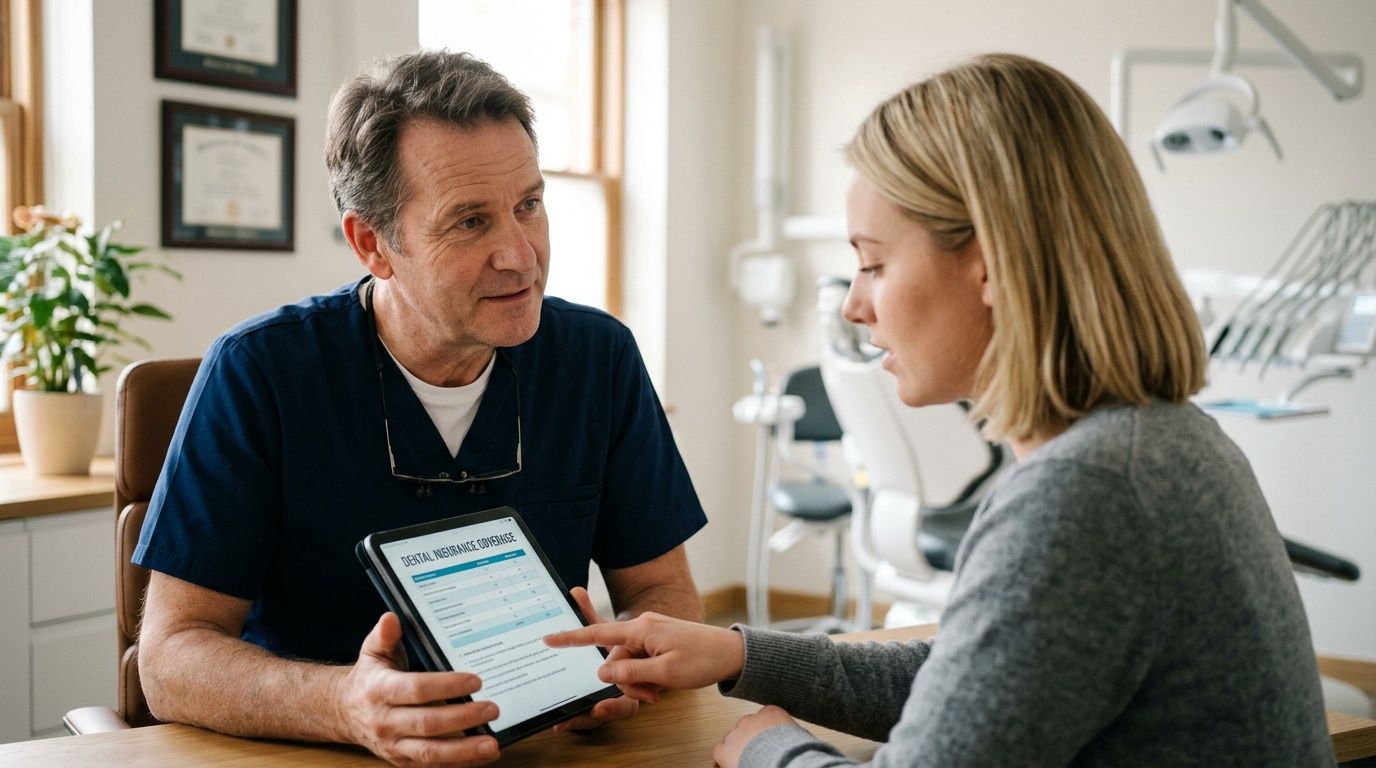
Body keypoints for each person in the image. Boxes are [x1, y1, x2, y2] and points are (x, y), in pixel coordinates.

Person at [545, 53, 1334, 767]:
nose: (854, 306)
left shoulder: (1087, 491)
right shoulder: (1158, 443)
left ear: (989, 267)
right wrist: (737, 654)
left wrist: (770, 750)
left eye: (874, 263)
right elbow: (967, 675)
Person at [133, 50, 707, 766]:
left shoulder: (599, 358)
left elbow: (662, 589)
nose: (521, 256)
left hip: (538, 750)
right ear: (372, 243)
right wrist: (346, 705)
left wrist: (630, 666)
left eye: (529, 205)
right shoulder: (260, 372)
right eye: (469, 222)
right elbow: (169, 659)